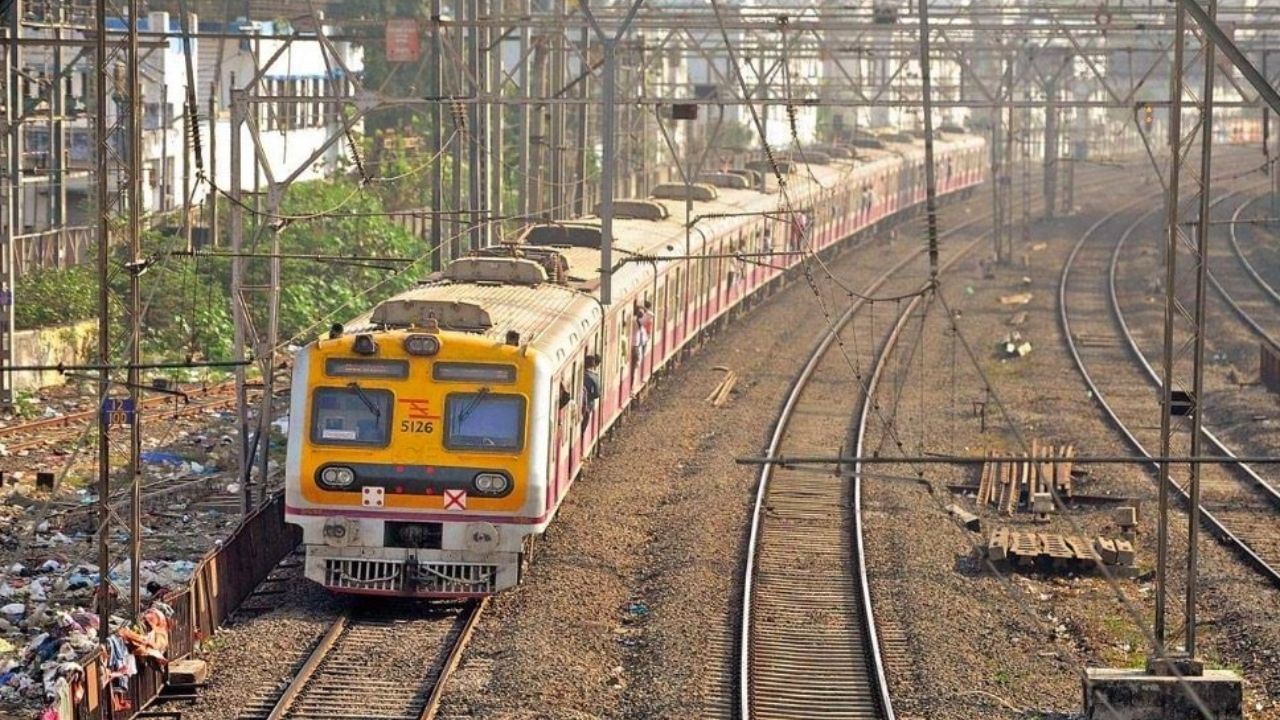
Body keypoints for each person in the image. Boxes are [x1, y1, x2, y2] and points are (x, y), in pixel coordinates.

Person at [582, 355, 601, 429]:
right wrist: (589, 396)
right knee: (584, 423)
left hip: (580, 403)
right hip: (588, 404)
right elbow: (597, 394)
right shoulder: (594, 377)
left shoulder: (583, 375)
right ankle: (582, 436)